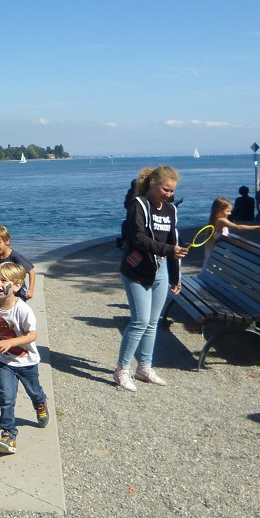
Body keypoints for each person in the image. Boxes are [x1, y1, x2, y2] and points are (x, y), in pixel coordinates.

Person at [115, 165, 188, 391]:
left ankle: (144, 367)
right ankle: (121, 370)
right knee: (139, 321)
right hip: (137, 271)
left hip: (161, 270)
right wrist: (168, 250)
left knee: (153, 322)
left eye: (172, 191)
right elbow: (138, 238)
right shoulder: (139, 205)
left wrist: (176, 277)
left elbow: (173, 241)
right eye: (165, 190)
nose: (169, 195)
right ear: (153, 184)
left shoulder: (170, 210)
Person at [0, 261, 48, 454]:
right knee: (6, 398)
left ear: (16, 285)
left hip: (27, 362)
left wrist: (11, 343)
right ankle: (8, 435)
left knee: (34, 391)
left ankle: (40, 403)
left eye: (3, 280)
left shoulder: (22, 309)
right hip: (4, 361)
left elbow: (32, 335)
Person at [203, 197, 260, 264]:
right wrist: (257, 227)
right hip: (217, 258)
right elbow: (237, 228)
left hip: (215, 256)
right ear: (219, 211)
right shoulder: (221, 220)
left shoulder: (213, 221)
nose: (230, 213)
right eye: (227, 211)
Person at [0, 224, 35, 301]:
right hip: (2, 289)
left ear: (7, 241)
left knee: (17, 310)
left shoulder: (15, 256)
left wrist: (30, 290)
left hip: (18, 291)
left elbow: (31, 271)